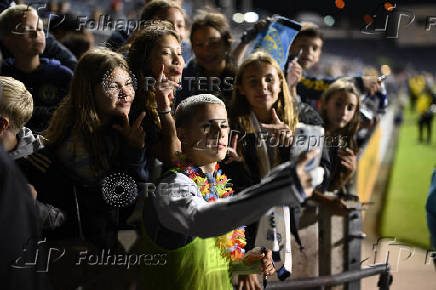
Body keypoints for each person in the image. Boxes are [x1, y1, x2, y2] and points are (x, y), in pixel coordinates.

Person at [137, 93, 316, 290]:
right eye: (207, 125)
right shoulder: (171, 186)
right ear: (183, 134)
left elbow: (215, 260)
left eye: (223, 125)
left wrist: (247, 262)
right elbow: (201, 221)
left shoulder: (219, 188)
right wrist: (280, 185)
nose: (220, 132)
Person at [0, 5, 73, 133]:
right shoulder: (3, 75)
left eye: (40, 29)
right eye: (26, 29)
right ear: (7, 39)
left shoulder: (62, 75)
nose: (36, 34)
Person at [175, 10, 267, 107]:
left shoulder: (241, 79)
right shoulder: (185, 78)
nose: (206, 51)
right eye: (199, 44)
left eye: (213, 43)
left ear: (227, 44)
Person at [285, 22, 380, 110]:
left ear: (319, 54)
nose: (309, 52)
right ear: (291, 46)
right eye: (302, 46)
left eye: (315, 48)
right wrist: (358, 83)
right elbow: (315, 86)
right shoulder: (286, 70)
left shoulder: (300, 72)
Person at [127, 21, 183, 166]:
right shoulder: (137, 107)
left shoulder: (175, 97)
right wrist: (164, 109)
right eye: (166, 53)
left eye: (179, 53)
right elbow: (175, 158)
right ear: (145, 61)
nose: (177, 60)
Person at [319, 79, 360, 191]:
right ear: (326, 103)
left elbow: (331, 190)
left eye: (350, 108)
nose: (343, 112)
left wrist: (348, 173)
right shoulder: (310, 133)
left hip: (325, 204)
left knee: (358, 207)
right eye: (338, 104)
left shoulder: (346, 141)